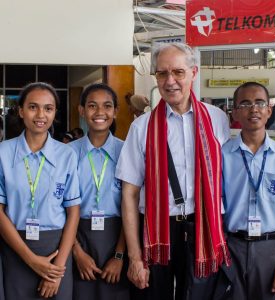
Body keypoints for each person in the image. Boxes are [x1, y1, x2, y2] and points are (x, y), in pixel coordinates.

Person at [116, 42, 231, 300]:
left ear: (194, 72)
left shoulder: (217, 119)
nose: (170, 81)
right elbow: (129, 194)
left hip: (203, 226)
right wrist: (135, 258)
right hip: (157, 229)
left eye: (178, 72)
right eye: (162, 73)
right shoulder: (141, 127)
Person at [0, 82, 81, 299]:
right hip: (16, 247)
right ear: (21, 111)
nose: (40, 114)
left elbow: (73, 212)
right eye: (33, 107)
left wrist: (58, 270)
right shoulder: (3, 152)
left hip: (56, 249)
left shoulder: (67, 155)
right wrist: (31, 259)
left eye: (48, 108)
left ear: (55, 113)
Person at [222, 82, 275, 300]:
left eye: (260, 103)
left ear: (269, 110)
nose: (253, 109)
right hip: (231, 246)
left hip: (268, 248)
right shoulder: (224, 154)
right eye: (245, 104)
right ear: (235, 112)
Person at [70, 83, 129, 300]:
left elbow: (130, 207)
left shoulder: (127, 152)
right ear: (82, 111)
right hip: (77, 236)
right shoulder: (67, 154)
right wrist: (76, 252)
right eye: (92, 106)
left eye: (107, 106)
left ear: (115, 111)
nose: (100, 113)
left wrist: (119, 256)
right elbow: (61, 208)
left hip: (117, 237)